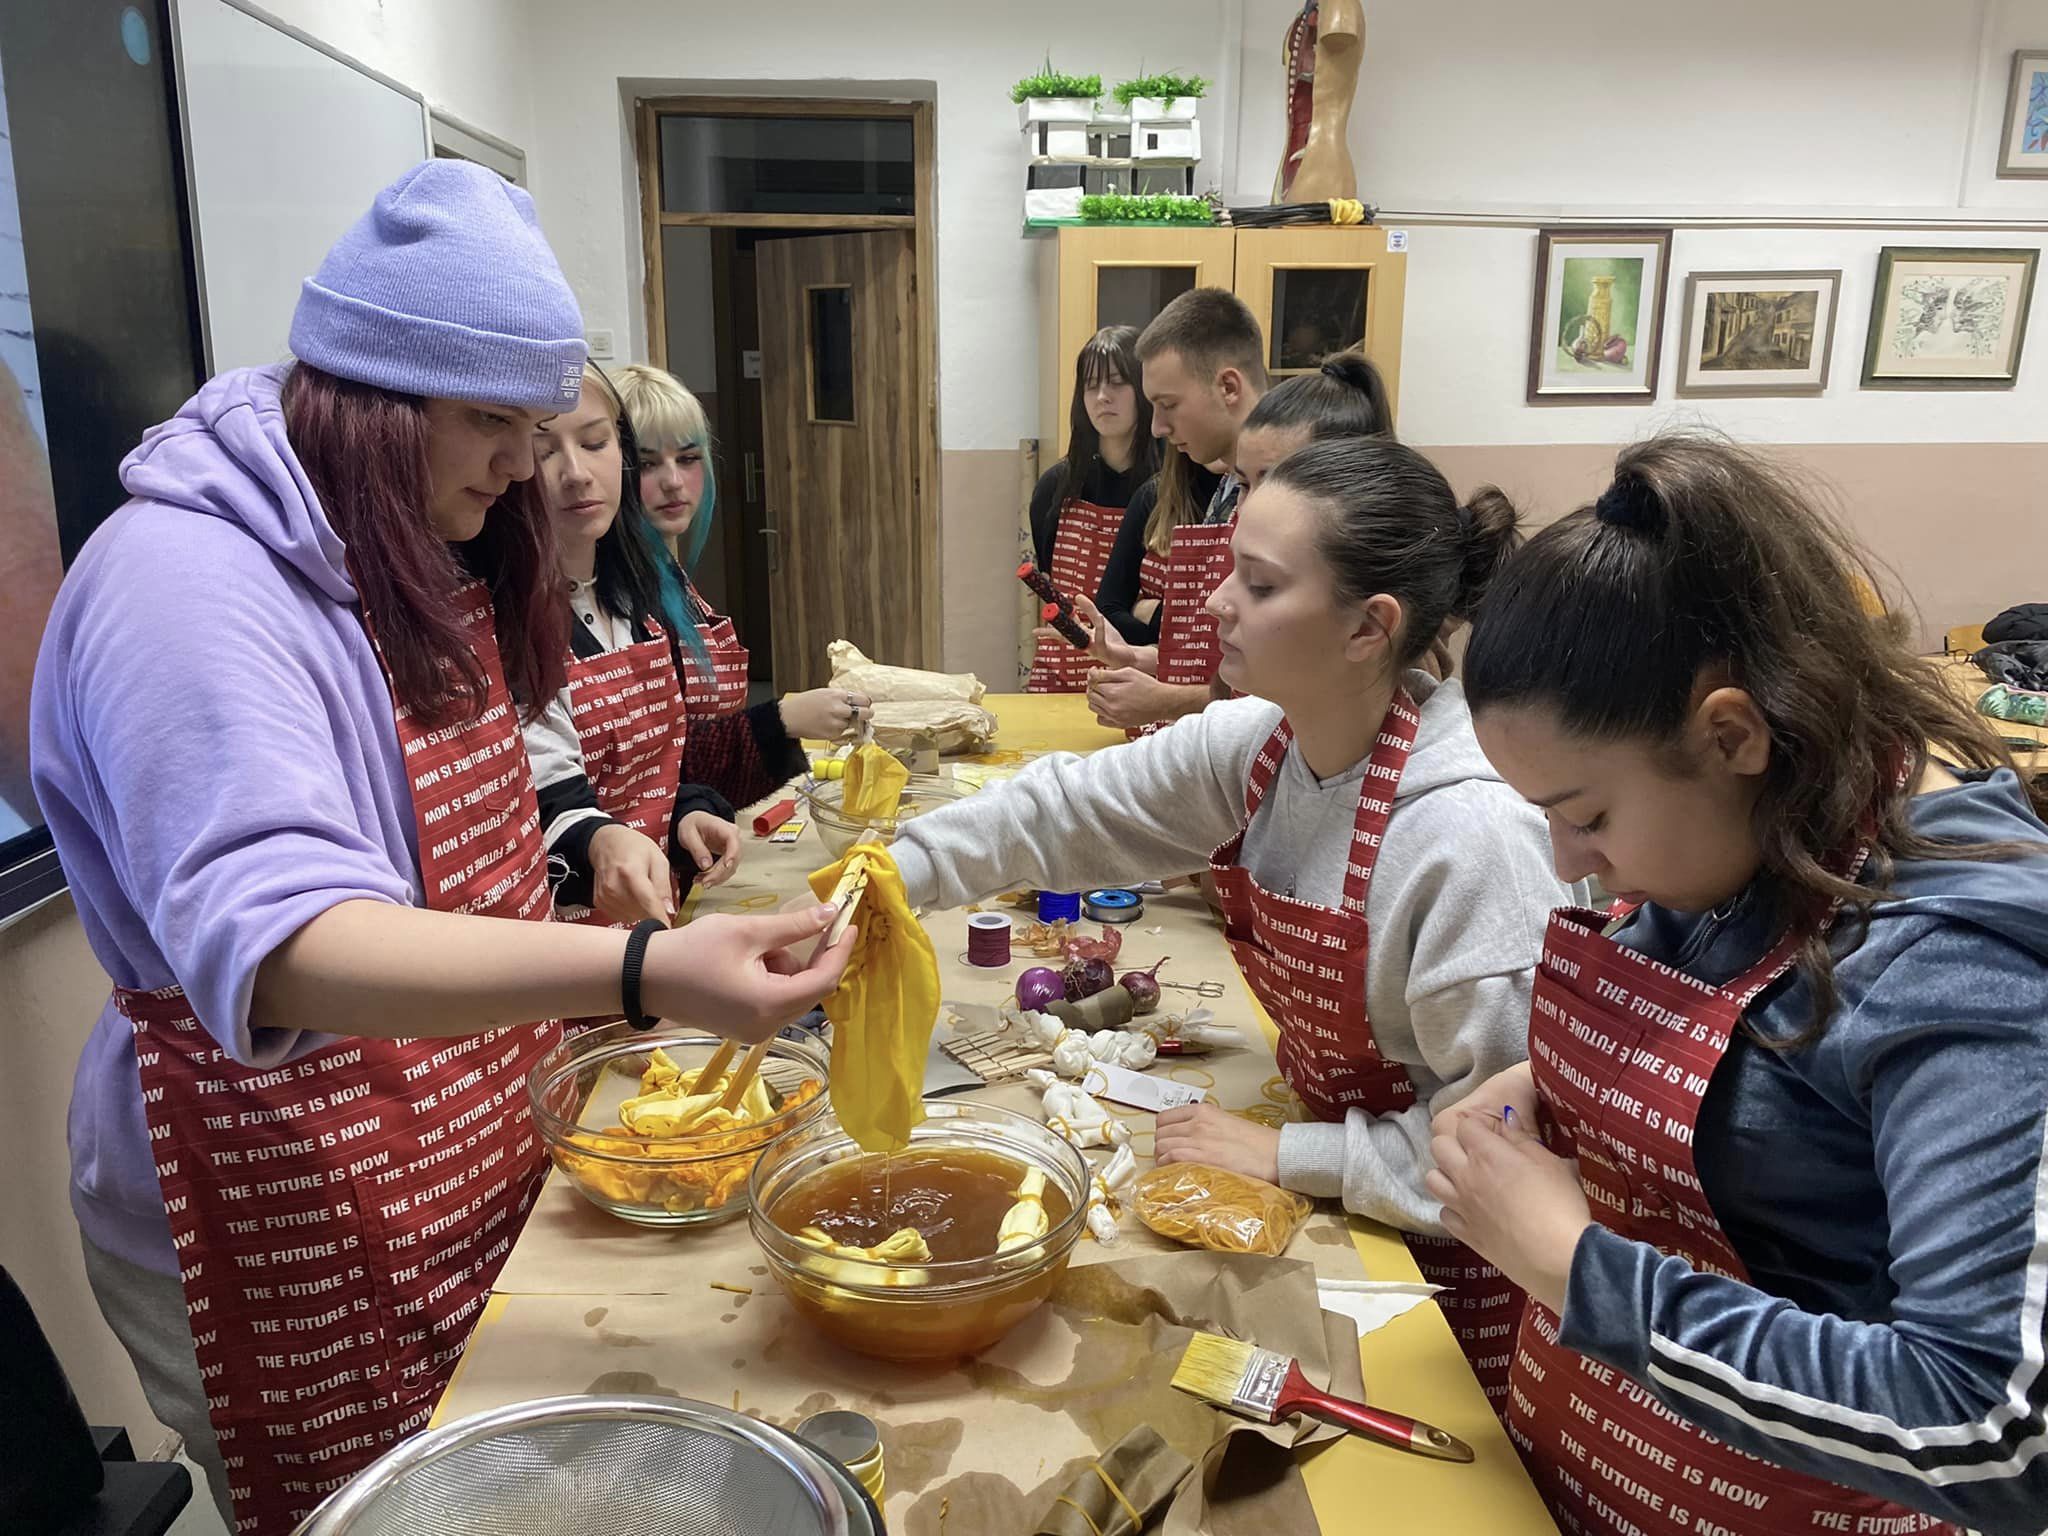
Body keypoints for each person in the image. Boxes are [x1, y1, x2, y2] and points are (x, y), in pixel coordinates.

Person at [29, 162, 853, 1533]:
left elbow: (479, 847)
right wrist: (642, 971)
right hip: (278, 1185)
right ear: (372, 399)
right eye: (492, 423)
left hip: (453, 1140)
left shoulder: (408, 544)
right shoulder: (185, 584)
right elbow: (286, 946)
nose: (526, 466)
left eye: (537, 427)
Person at [1430, 435, 2048, 1534]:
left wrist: (1577, 1271)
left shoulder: (1962, 964)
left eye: (1586, 816)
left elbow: (1990, 1430)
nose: (1567, 864)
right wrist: (1552, 1082)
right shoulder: (1751, 832)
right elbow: (1757, 1076)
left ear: (1731, 735)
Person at [892, 437, 1584, 1407]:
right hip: (1334, 1193)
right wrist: (880, 886)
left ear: (1367, 628)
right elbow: (1060, 812)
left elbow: (1508, 1162)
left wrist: (1289, 1156)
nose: (1215, 603)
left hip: (1448, 1293)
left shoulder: (1470, 843)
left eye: (1257, 586)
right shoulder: (1264, 745)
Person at [522, 364, 752, 925]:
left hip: (657, 920)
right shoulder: (513, 623)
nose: (577, 473)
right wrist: (600, 845)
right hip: (571, 944)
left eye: (594, 443)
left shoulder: (638, 599)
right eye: (544, 451)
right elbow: (543, 804)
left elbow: (650, 772)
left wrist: (682, 814)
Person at [612, 362, 866, 806]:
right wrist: (780, 720)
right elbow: (653, 773)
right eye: (647, 464)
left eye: (688, 458)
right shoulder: (616, 601)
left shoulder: (667, 574)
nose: (673, 481)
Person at [1082, 289, 1267, 734]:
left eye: (1168, 405)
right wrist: (1141, 657)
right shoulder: (1232, 486)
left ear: (1228, 387)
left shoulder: (1290, 492)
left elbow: (1284, 693)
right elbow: (1226, 668)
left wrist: (1166, 699)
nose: (1157, 428)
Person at [1023, 324, 1156, 693]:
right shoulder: (1055, 487)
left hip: (1137, 679)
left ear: (1144, 389)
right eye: (1091, 385)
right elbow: (1050, 576)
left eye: (1117, 383)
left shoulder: (1168, 491)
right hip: (1057, 675)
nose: (1102, 397)